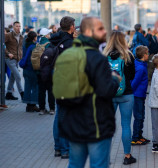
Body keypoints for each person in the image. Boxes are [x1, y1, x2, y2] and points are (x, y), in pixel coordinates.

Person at [58, 17, 120, 168]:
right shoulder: (97, 58)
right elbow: (106, 91)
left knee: (74, 164)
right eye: (100, 29)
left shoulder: (68, 56)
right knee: (98, 165)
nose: (105, 31)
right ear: (87, 31)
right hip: (96, 125)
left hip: (74, 124)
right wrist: (114, 79)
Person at [103, 31, 137, 165]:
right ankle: (127, 157)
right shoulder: (128, 56)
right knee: (126, 125)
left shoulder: (104, 56)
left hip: (109, 95)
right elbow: (132, 76)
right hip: (126, 94)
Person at [50, 16, 75, 159]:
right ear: (71, 27)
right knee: (66, 116)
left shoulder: (55, 39)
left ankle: (58, 148)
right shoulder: (70, 43)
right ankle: (65, 150)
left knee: (60, 114)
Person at [131, 45, 150, 145]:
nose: (149, 55)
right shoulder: (140, 68)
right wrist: (131, 92)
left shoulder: (140, 64)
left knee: (141, 116)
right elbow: (134, 83)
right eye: (147, 53)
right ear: (144, 55)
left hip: (140, 95)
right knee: (138, 117)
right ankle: (135, 138)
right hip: (137, 96)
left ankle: (139, 135)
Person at [5, 21, 24, 100]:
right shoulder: (8, 35)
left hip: (17, 59)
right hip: (10, 59)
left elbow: (20, 47)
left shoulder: (21, 36)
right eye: (16, 26)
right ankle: (22, 93)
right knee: (18, 76)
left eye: (19, 26)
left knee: (12, 77)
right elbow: (1, 45)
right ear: (13, 27)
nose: (18, 28)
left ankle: (9, 93)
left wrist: (21, 55)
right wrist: (8, 53)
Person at [37, 28, 54, 115]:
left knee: (41, 91)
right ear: (46, 35)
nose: (50, 34)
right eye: (49, 33)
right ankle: (52, 109)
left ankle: (42, 109)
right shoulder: (49, 45)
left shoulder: (38, 43)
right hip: (48, 72)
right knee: (50, 91)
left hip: (39, 71)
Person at [22, 31, 39, 112]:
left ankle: (28, 106)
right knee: (35, 87)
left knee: (27, 87)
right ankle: (33, 105)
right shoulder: (34, 46)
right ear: (34, 38)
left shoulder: (24, 45)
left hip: (25, 69)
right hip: (32, 69)